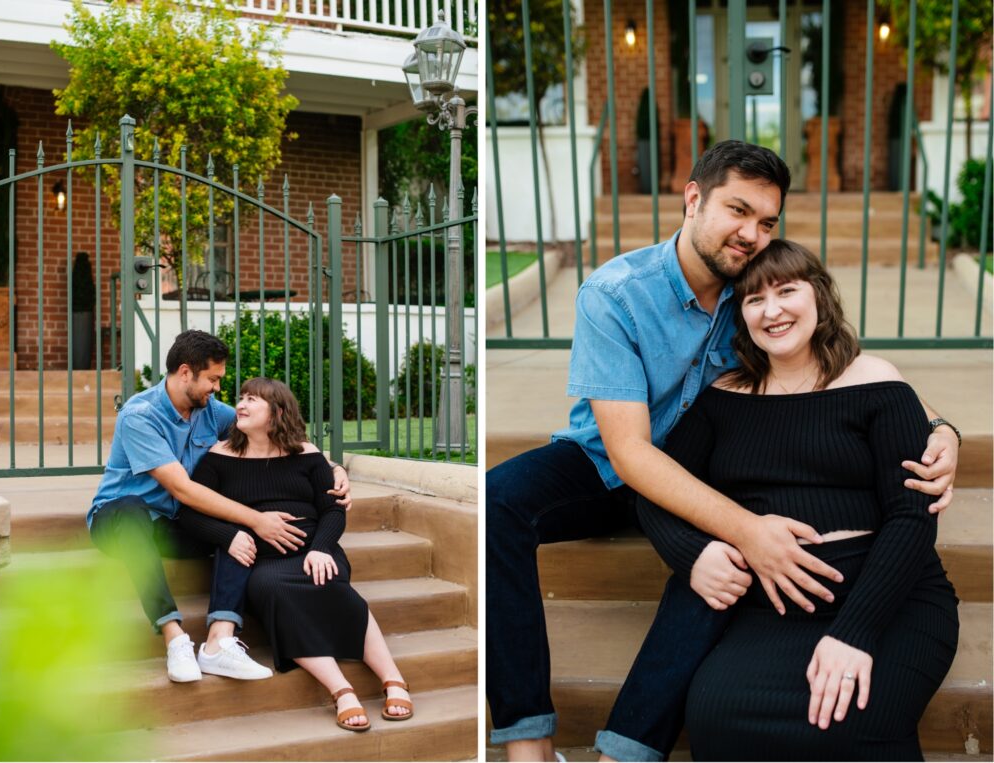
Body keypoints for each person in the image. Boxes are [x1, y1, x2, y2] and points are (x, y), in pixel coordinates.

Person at [486, 140, 961, 762]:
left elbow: (835, 376)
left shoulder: (754, 289)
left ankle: (623, 752)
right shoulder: (617, 293)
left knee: (714, 563)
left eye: (766, 221)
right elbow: (631, 456)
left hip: (704, 470)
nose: (750, 233)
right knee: (500, 501)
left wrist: (942, 429)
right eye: (738, 211)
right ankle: (528, 740)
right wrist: (746, 529)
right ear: (693, 199)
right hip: (610, 463)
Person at [639, 239, 959, 760]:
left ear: (818, 296)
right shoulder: (722, 399)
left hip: (887, 594)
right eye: (753, 299)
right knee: (716, 715)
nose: (773, 311)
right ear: (739, 316)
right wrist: (690, 554)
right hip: (773, 603)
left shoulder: (879, 384)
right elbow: (658, 487)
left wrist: (855, 633)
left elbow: (911, 515)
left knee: (847, 720)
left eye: (787, 291)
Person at [87, 330, 352, 683]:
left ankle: (219, 643)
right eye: (212, 379)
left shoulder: (212, 412)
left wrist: (332, 467)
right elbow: (183, 489)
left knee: (235, 532)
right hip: (120, 519)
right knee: (136, 510)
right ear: (185, 373)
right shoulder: (140, 415)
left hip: (174, 523)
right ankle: (174, 637)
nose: (217, 388)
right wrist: (258, 520)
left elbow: (280, 431)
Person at [177, 377, 413, 732]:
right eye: (241, 397)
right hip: (261, 563)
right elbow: (191, 513)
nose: (241, 404)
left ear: (278, 412)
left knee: (333, 585)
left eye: (252, 399)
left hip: (315, 548)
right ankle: (341, 690)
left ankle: (393, 677)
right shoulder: (219, 457)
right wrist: (233, 535)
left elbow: (333, 509)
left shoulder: (307, 454)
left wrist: (320, 548)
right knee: (275, 591)